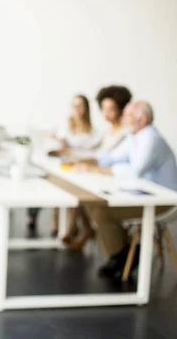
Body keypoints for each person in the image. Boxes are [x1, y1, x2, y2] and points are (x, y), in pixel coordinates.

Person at [75, 101, 176, 278]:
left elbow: (134, 171)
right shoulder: (134, 137)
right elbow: (112, 158)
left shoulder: (151, 139)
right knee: (92, 203)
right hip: (141, 195)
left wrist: (96, 169)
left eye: (128, 115)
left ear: (142, 119)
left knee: (101, 209)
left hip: (161, 202)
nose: (122, 118)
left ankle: (122, 254)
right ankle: (125, 251)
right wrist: (87, 160)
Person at [61, 85, 134, 250]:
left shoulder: (126, 133)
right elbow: (97, 151)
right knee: (78, 190)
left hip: (116, 180)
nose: (106, 113)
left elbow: (107, 158)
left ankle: (86, 232)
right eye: (104, 108)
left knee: (87, 197)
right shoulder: (109, 131)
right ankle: (83, 230)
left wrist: (86, 162)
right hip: (104, 174)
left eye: (111, 109)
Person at [28, 94, 101, 235]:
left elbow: (93, 152)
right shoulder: (64, 126)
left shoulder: (93, 131)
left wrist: (72, 151)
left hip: (80, 168)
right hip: (62, 164)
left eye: (80, 105)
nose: (77, 109)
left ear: (86, 108)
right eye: (74, 105)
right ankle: (56, 225)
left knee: (76, 196)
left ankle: (69, 230)